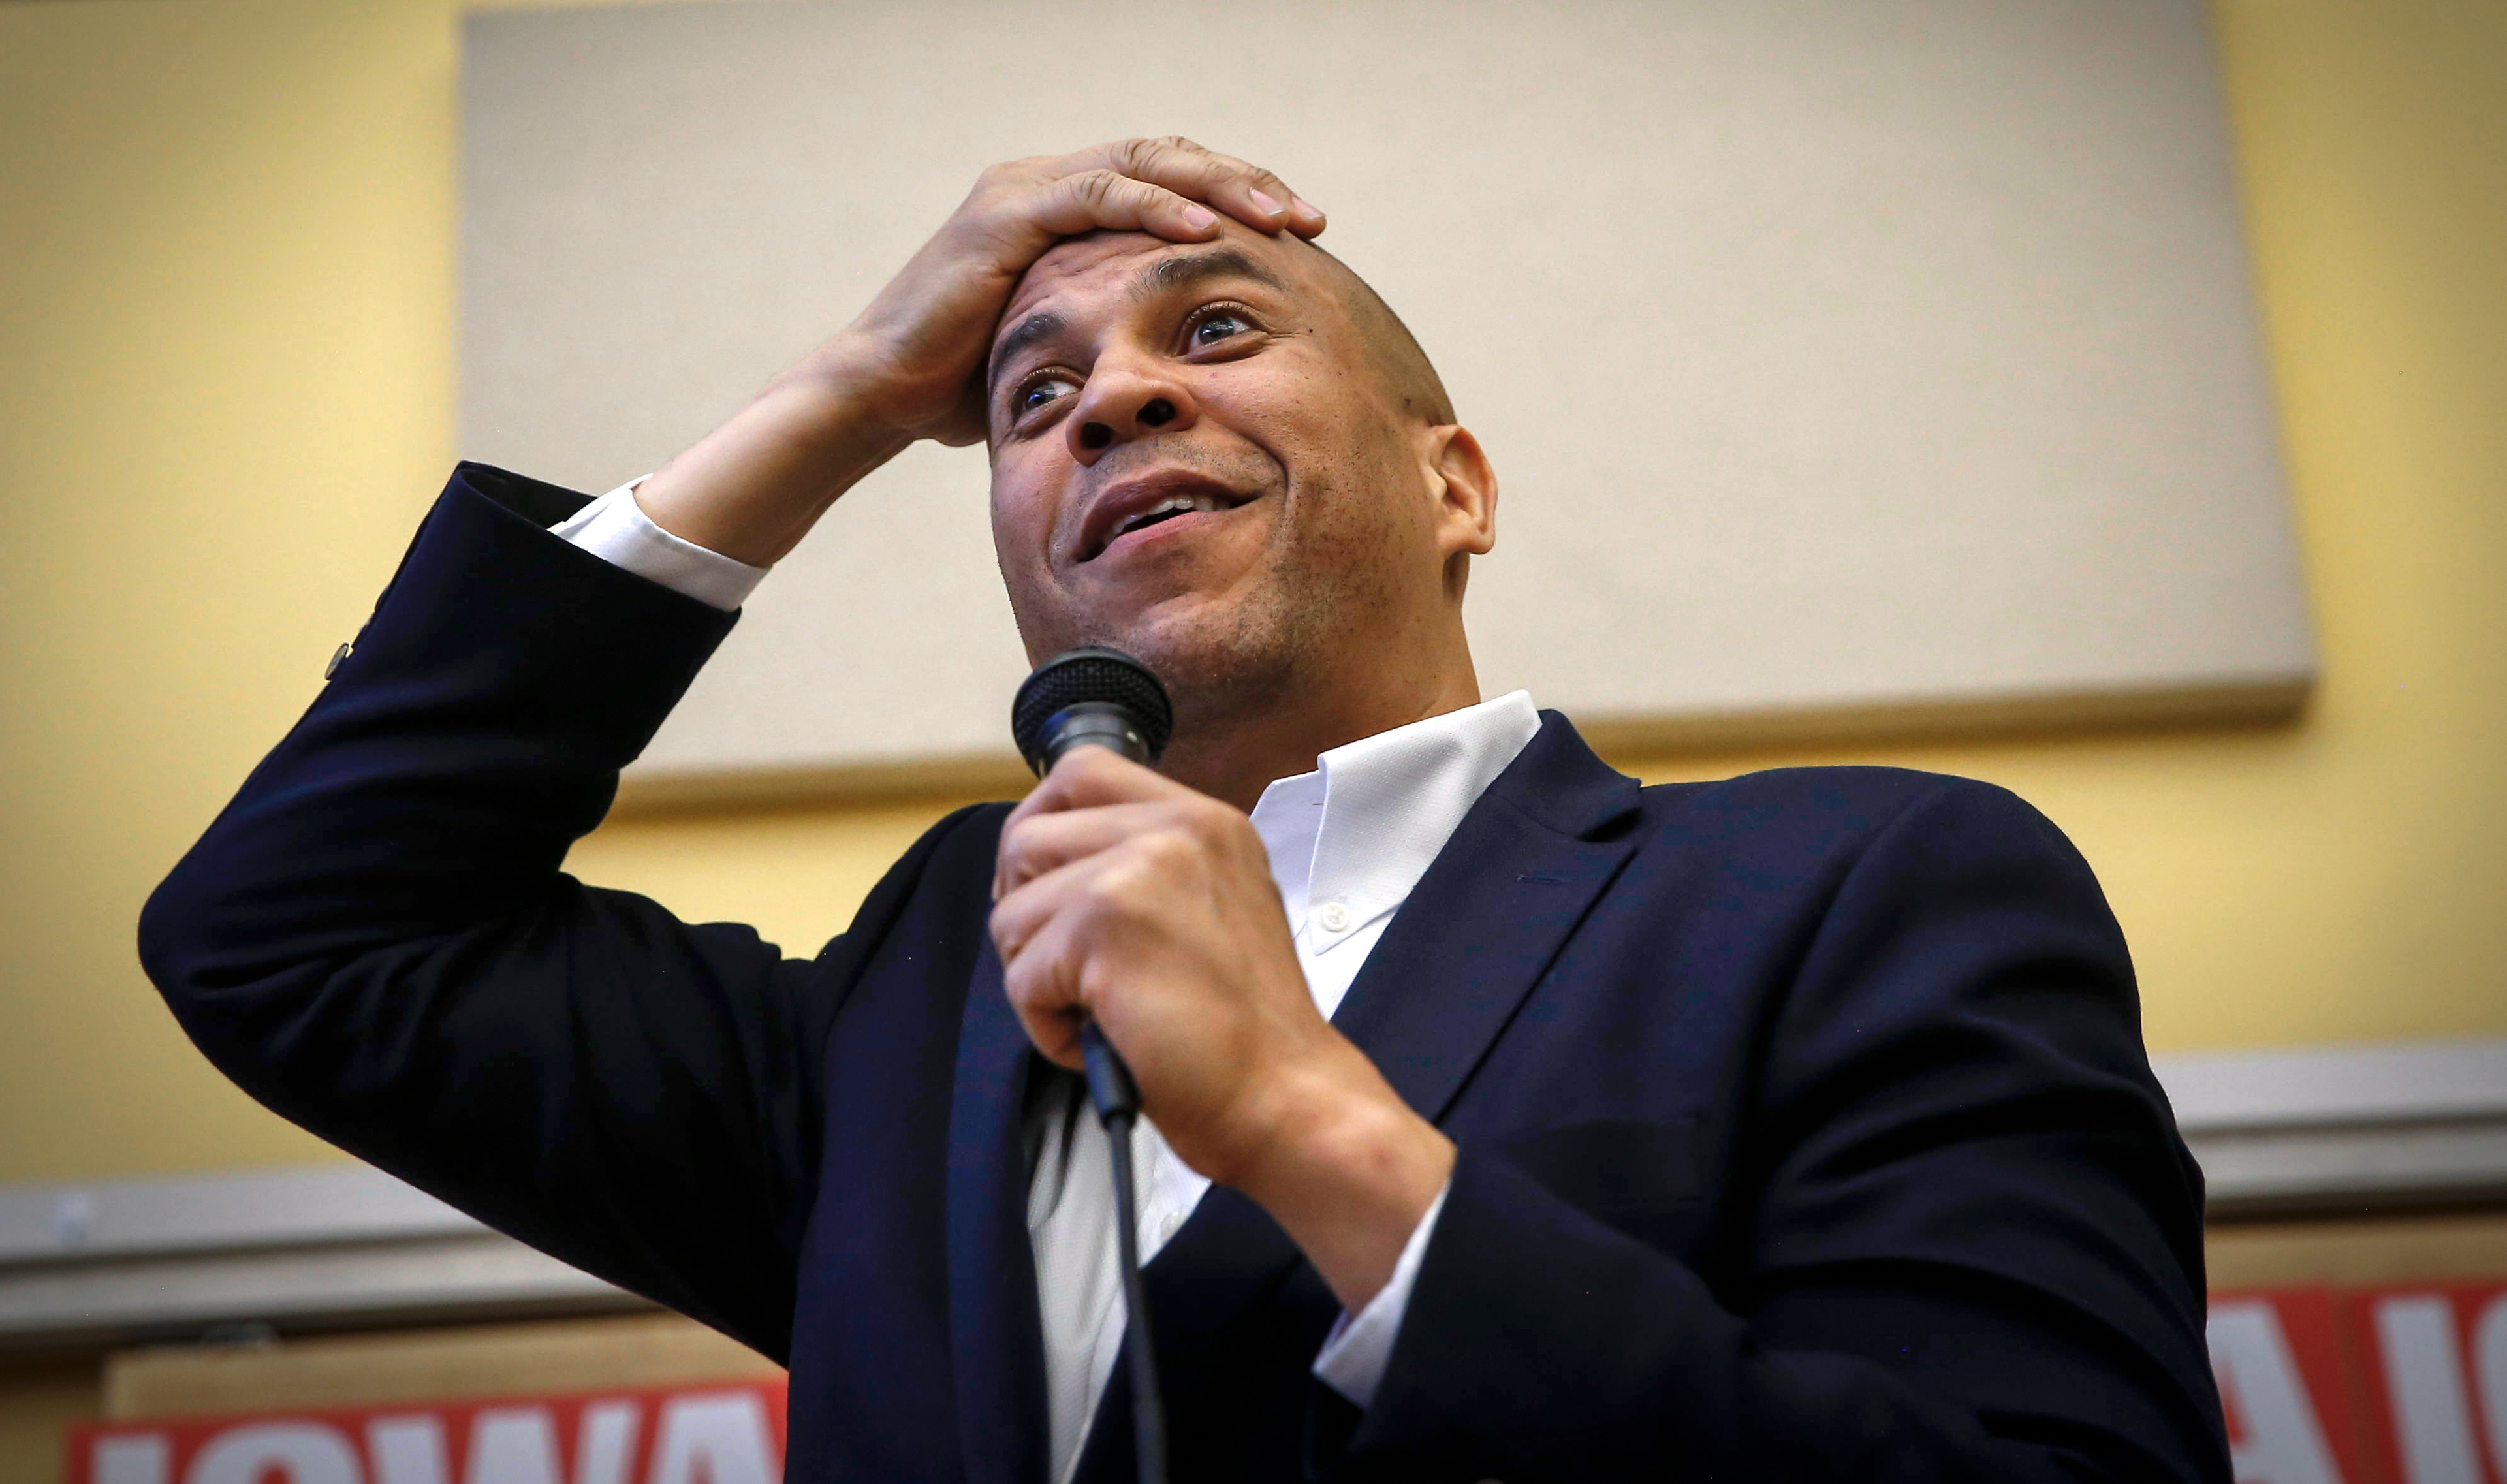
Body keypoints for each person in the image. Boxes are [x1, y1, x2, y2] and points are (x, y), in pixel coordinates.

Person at [142, 138, 2229, 1483]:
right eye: (1030, 402)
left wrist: (1317, 1136)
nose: (1113, 399)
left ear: (1454, 484)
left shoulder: (1855, 887)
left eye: (1216, 331)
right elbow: (302, 937)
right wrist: (856, 389)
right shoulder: (913, 1015)